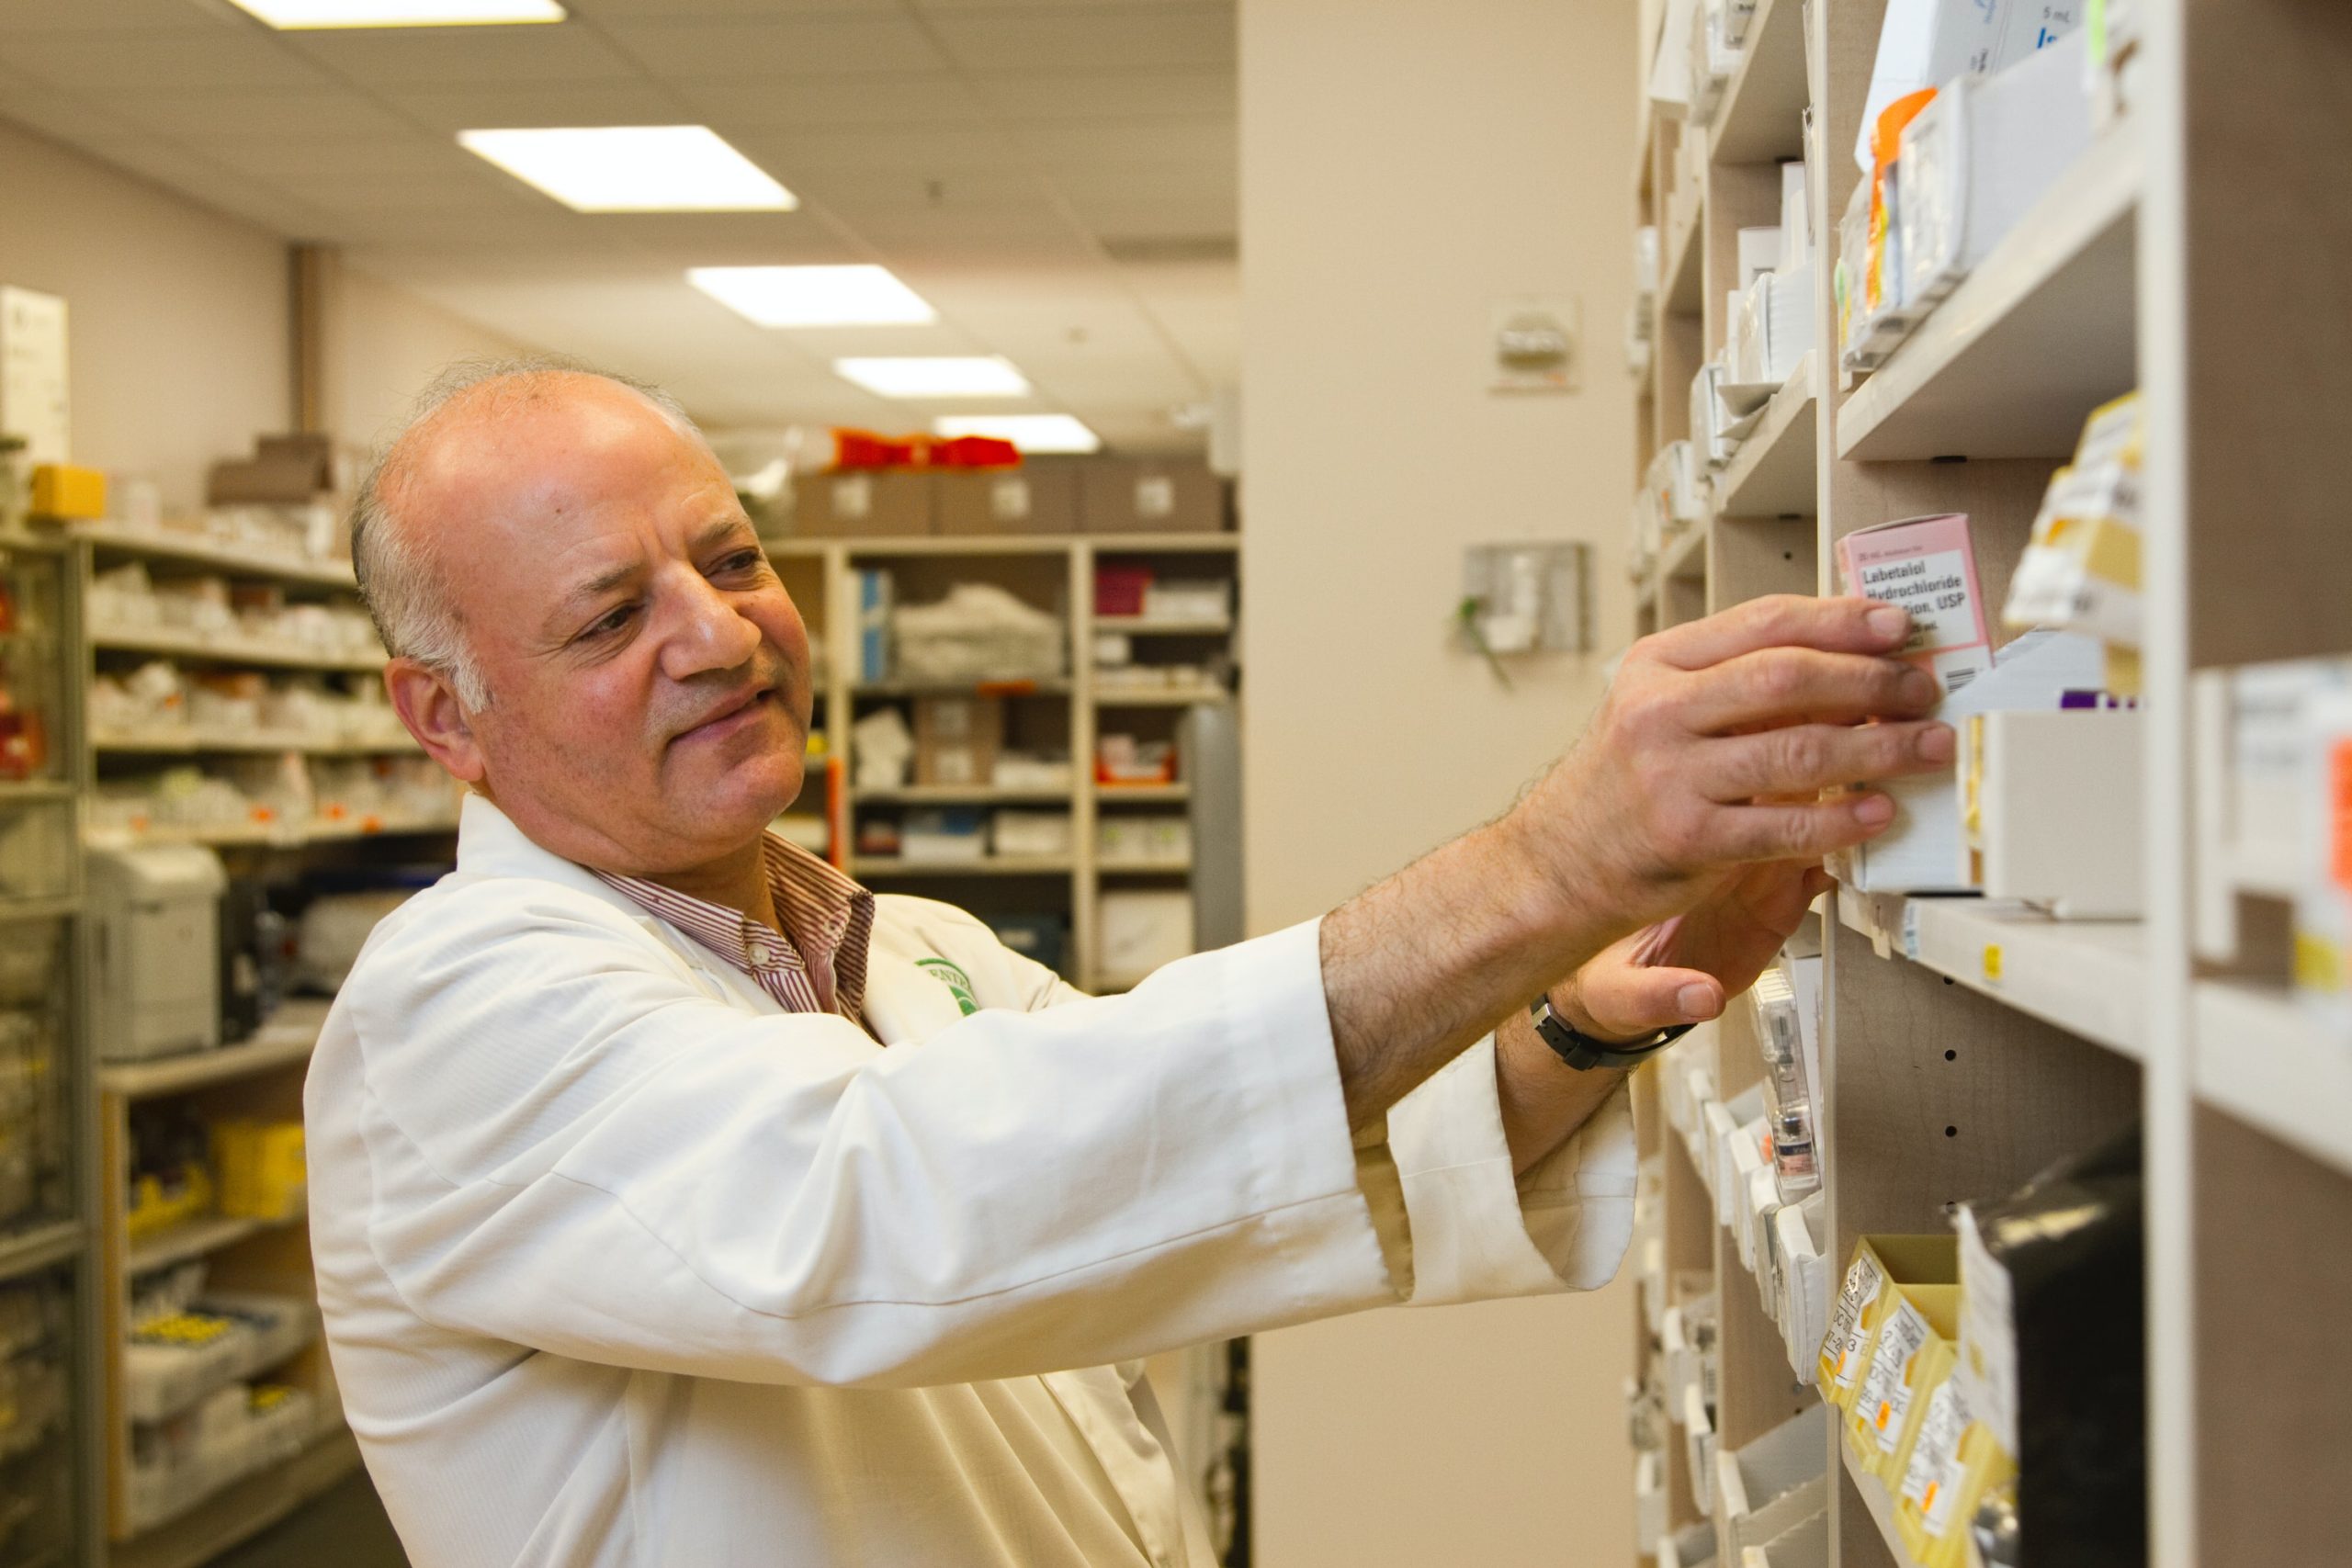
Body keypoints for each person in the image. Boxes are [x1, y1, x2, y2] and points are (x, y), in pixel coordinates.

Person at [304, 358, 1951, 1568]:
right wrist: (1541, 869)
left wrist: (1577, 1024)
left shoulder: (911, 954)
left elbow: (1189, 1176)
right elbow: (902, 1203)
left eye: (730, 561)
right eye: (609, 619)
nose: (724, 635)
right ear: (445, 715)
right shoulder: (453, 1023)